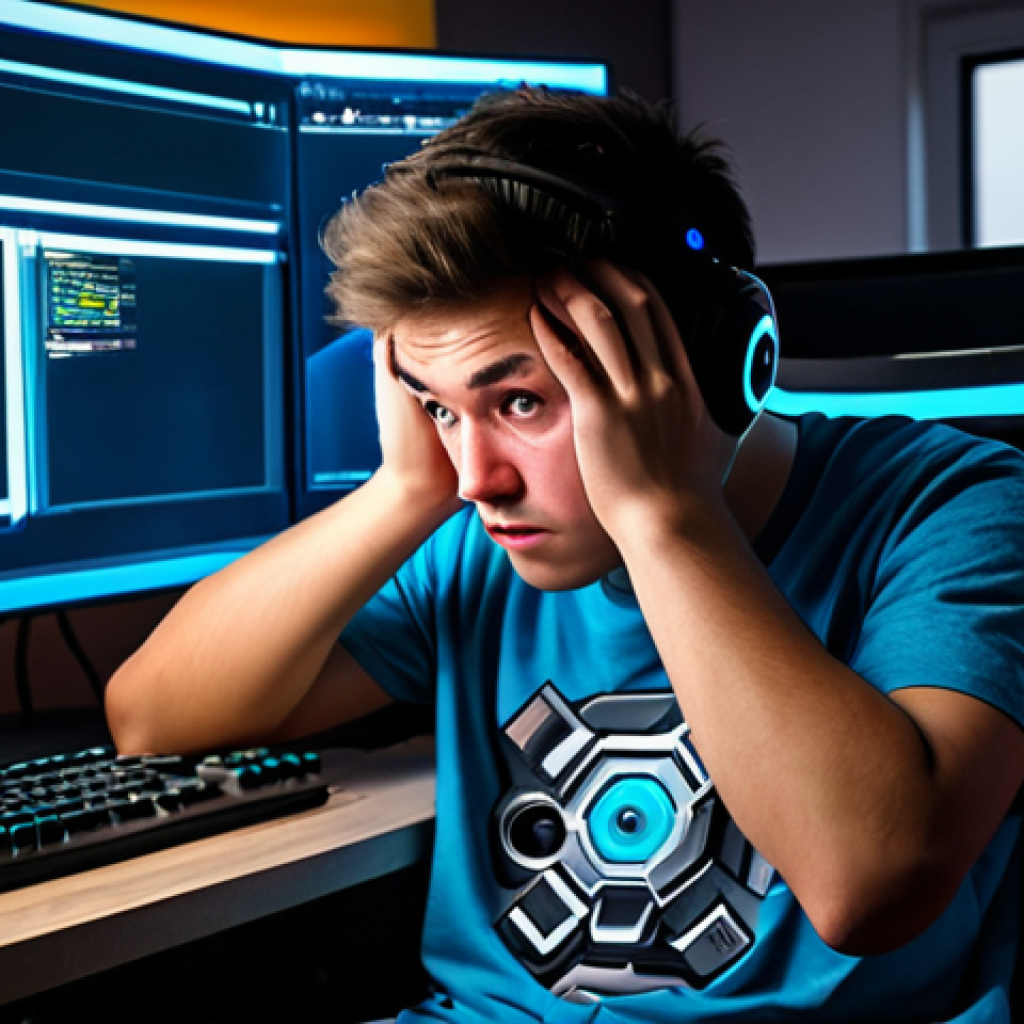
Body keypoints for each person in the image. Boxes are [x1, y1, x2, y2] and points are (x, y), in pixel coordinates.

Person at [105, 87, 1024, 1022]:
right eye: (438, 407)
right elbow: (153, 718)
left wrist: (665, 515)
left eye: (522, 402)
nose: (479, 480)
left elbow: (870, 887)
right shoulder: (477, 546)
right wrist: (404, 489)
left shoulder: (950, 506)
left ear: (714, 364)